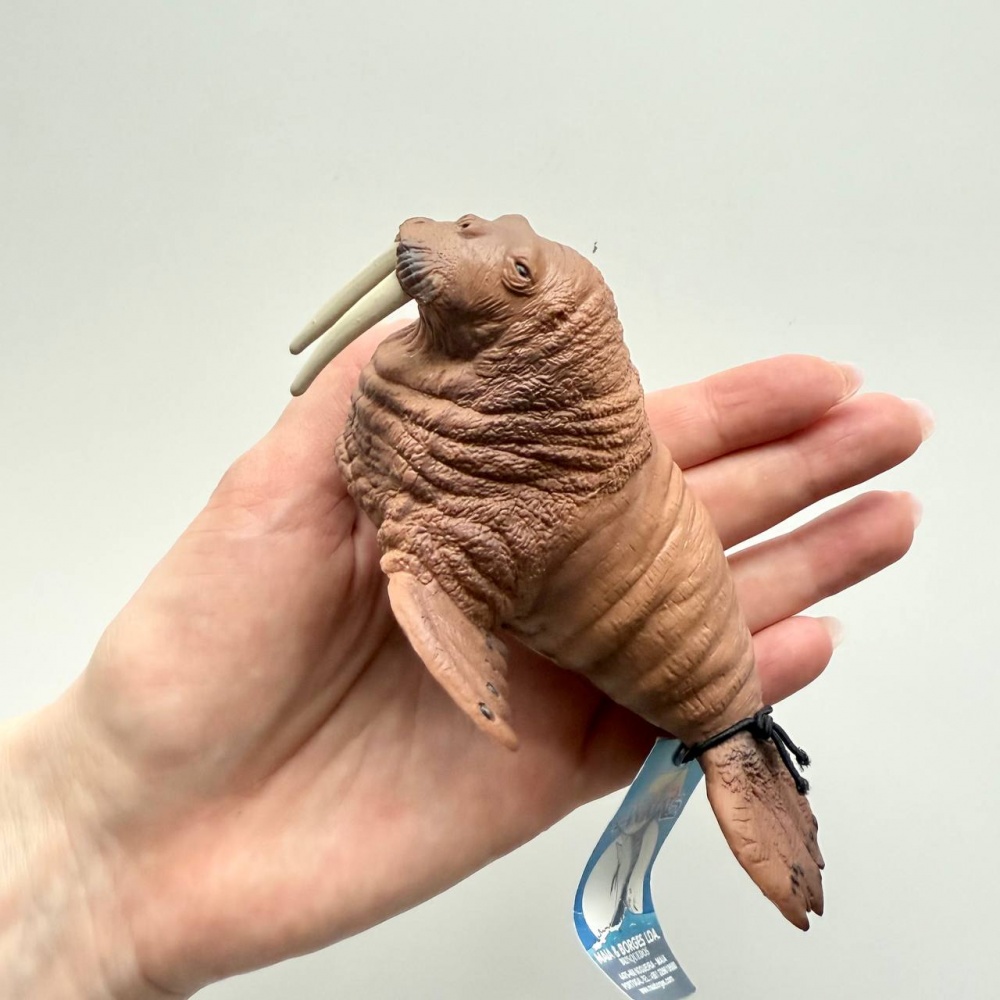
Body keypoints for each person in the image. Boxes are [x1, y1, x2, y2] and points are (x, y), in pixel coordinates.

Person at [0, 323, 930, 998]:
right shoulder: (414, 421)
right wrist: (79, 829)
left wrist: (81, 864)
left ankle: (735, 739)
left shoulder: (566, 390)